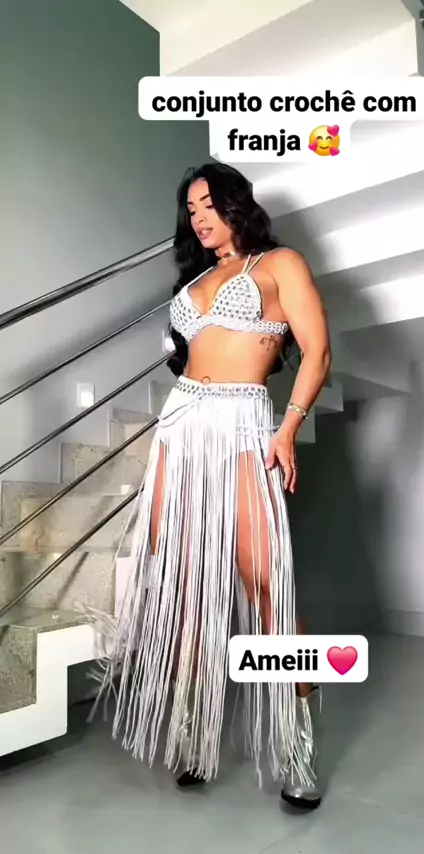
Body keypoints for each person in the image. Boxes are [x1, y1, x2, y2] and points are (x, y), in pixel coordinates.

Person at [94, 162, 331, 810]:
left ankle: (297, 742)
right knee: (181, 580)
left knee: (267, 580)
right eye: (191, 208)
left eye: (208, 204)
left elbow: (317, 352)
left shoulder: (280, 264)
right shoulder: (195, 280)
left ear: (235, 204)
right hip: (181, 423)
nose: (199, 217)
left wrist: (289, 428)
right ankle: (194, 735)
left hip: (243, 423)